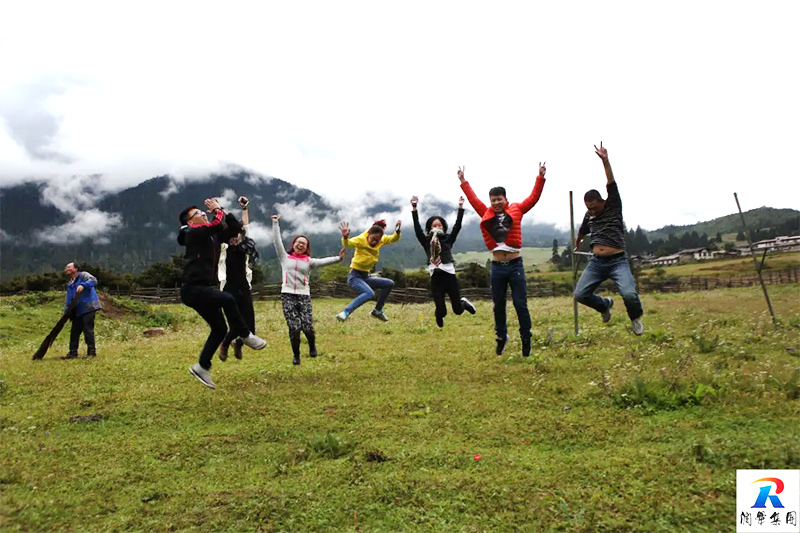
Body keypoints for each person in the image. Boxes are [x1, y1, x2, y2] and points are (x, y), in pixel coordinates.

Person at [459, 163, 547, 357]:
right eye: (493, 200)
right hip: (497, 266)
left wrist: (540, 177)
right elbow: (474, 201)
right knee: (498, 304)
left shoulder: (517, 209)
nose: (496, 203)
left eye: (499, 199)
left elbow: (533, 198)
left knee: (520, 304)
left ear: (505, 199)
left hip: (515, 265)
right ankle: (501, 337)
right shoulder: (486, 213)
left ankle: (526, 338)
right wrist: (463, 181)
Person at [178, 197, 267, 389]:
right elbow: (218, 223)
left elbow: (233, 226)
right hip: (192, 288)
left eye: (203, 211)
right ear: (190, 222)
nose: (203, 213)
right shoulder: (193, 233)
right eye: (198, 213)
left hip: (202, 288)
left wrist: (224, 211)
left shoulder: (212, 236)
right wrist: (218, 210)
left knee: (219, 329)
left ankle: (202, 366)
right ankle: (244, 334)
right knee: (227, 298)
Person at [574, 142, 644, 335]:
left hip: (617, 261)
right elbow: (583, 230)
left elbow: (611, 183)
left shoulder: (613, 205)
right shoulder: (589, 215)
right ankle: (604, 305)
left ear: (602, 201)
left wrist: (606, 161)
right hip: (596, 262)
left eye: (594, 207)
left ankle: (636, 318)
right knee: (580, 294)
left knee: (629, 294)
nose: (591, 211)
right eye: (588, 208)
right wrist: (578, 239)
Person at [272, 213, 345, 365]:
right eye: (298, 242)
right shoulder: (284, 257)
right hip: (287, 295)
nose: (300, 245)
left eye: (304, 244)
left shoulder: (309, 262)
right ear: (294, 244)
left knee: (307, 326)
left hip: (304, 296)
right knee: (294, 327)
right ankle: (296, 356)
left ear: (306, 248)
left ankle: (312, 346)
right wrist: (275, 223)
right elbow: (277, 241)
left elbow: (324, 261)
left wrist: (338, 258)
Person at [410, 195, 476, 327]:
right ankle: (439, 316)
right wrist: (414, 209)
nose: (437, 227)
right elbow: (417, 229)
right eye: (434, 225)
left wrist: (461, 208)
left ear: (444, 227)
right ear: (429, 228)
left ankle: (463, 303)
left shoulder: (448, 239)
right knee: (441, 309)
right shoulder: (426, 241)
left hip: (449, 276)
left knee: (457, 310)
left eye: (439, 225)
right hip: (435, 277)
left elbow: (457, 226)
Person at [217, 196, 260, 361]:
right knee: (236, 323)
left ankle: (238, 344)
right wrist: (220, 211)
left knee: (250, 327)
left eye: (237, 236)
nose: (234, 238)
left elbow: (245, 227)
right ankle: (225, 344)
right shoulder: (222, 248)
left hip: (244, 287)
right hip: (228, 289)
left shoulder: (243, 248)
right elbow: (231, 228)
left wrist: (244, 209)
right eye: (231, 236)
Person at [336, 219, 401, 322]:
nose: (375, 242)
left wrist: (397, 232)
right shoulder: (361, 239)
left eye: (378, 240)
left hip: (366, 276)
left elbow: (393, 238)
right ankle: (345, 312)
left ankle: (377, 311)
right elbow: (348, 243)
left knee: (389, 283)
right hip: (355, 276)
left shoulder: (381, 239)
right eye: (373, 239)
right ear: (368, 234)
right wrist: (345, 236)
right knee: (369, 293)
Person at [62, 262, 102, 359]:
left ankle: (91, 353)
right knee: (74, 332)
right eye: (66, 267)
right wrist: (66, 311)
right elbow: (69, 299)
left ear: (75, 268)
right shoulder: (70, 284)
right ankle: (72, 353)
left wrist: (83, 285)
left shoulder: (83, 275)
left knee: (88, 330)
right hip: (77, 310)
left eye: (69, 267)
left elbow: (93, 280)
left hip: (88, 307)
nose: (66, 269)